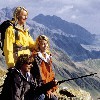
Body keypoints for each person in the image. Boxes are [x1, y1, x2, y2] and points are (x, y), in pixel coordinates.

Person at [31, 35, 58, 100]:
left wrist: (52, 89)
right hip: (39, 88)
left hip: (48, 87)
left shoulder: (48, 57)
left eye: (46, 44)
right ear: (38, 45)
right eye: (43, 44)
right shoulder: (36, 57)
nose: (45, 46)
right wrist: (47, 90)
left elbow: (51, 74)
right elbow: (39, 77)